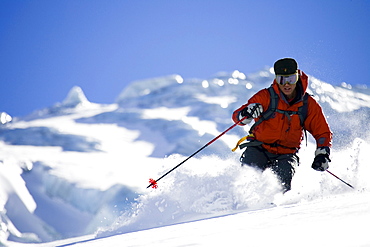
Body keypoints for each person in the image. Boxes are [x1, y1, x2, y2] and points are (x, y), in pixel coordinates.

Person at [232, 58, 332, 192]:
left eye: (290, 79)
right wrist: (247, 112)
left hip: (287, 154)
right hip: (259, 148)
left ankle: (275, 208)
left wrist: (322, 153)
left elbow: (322, 132)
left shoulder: (308, 104)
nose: (286, 84)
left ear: (297, 77)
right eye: (281, 79)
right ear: (276, 79)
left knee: (281, 185)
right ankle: (239, 204)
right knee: (247, 180)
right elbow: (238, 116)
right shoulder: (265, 96)